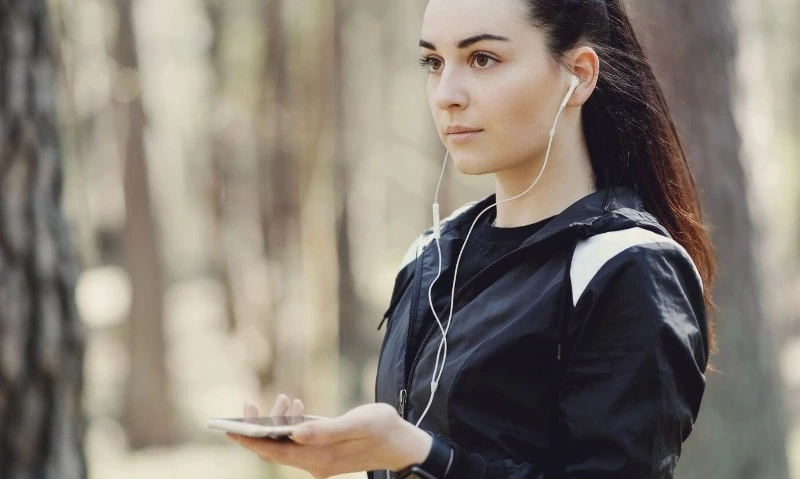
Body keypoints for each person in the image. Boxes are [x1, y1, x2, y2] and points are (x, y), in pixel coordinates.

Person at [225, 0, 716, 477]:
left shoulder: (625, 266)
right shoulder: (430, 257)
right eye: (433, 62)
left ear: (580, 75)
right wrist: (356, 453)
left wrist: (418, 455)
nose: (446, 94)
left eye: (483, 59)